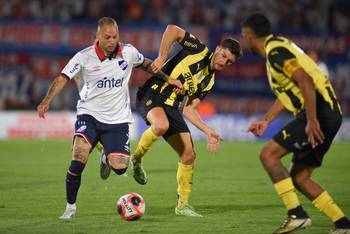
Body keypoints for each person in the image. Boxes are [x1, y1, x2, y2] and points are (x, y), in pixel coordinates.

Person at [37, 17, 181, 220]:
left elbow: (147, 64)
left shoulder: (128, 52)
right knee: (78, 159)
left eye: (115, 36)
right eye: (107, 37)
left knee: (121, 169)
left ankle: (105, 156)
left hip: (118, 120)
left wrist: (169, 79)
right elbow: (62, 77)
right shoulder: (83, 57)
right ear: (97, 36)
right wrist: (47, 100)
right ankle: (70, 208)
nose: (112, 41)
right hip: (89, 115)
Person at [241, 12, 350, 234]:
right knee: (299, 177)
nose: (245, 41)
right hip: (328, 113)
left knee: (268, 155)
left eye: (244, 37)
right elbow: (288, 93)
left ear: (249, 35)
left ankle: (296, 215)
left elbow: (305, 80)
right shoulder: (280, 46)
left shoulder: (276, 52)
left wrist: (311, 120)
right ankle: (343, 224)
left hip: (319, 113)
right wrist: (266, 119)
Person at [129, 24, 241, 217]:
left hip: (173, 109)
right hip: (153, 92)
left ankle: (182, 206)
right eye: (224, 56)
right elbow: (172, 29)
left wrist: (208, 131)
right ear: (218, 49)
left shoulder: (209, 81)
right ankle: (136, 160)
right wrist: (162, 56)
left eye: (229, 62)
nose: (224, 62)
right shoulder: (198, 49)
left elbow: (189, 109)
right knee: (161, 125)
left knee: (189, 154)